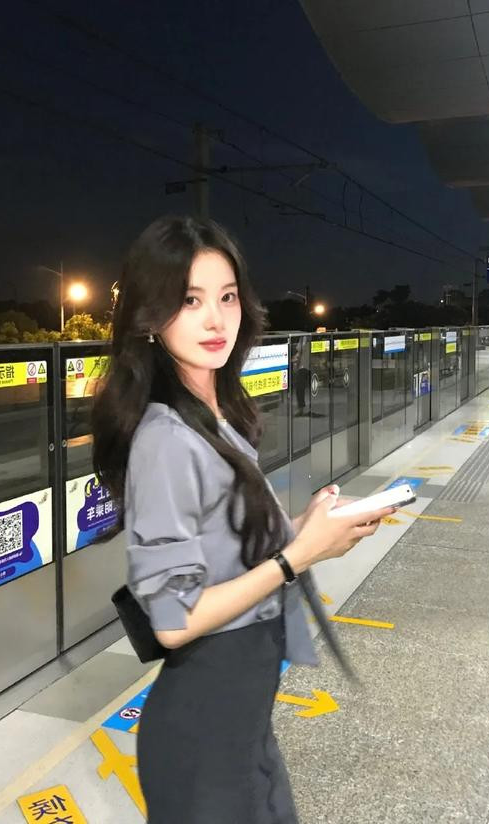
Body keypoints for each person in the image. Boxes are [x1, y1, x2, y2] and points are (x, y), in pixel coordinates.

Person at [92, 215, 393, 824]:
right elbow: (173, 623)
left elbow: (226, 545)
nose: (216, 320)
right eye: (190, 301)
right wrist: (298, 556)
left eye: (226, 297)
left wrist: (306, 528)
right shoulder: (166, 439)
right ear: (151, 317)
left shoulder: (216, 417)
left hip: (241, 729)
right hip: (204, 744)